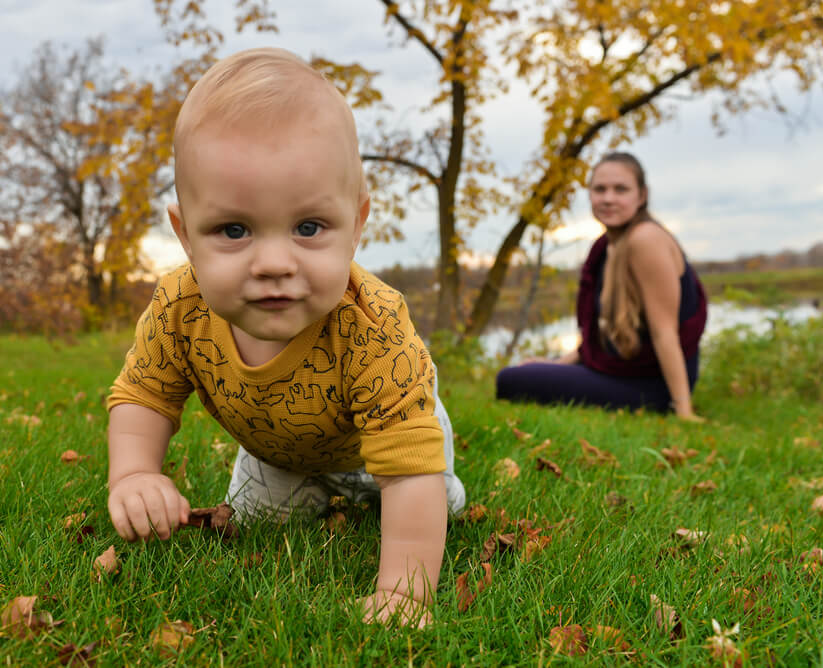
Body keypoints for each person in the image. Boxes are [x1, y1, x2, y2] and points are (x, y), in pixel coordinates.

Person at [105, 47, 465, 628]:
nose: (274, 262)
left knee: (428, 499)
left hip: (390, 446)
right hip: (278, 449)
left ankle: (434, 501)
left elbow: (407, 464)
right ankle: (304, 489)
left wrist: (404, 593)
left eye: (307, 228)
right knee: (258, 527)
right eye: (234, 229)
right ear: (185, 234)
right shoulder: (180, 305)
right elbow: (145, 394)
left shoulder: (372, 324)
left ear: (356, 226)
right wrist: (135, 473)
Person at [496, 152, 707, 421]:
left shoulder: (646, 239)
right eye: (600, 189)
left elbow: (664, 332)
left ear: (641, 195)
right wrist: (555, 365)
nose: (608, 198)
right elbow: (596, 340)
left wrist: (683, 409)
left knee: (510, 380)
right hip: (622, 371)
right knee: (528, 370)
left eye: (621, 189)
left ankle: (677, 403)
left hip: (650, 384)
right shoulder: (607, 247)